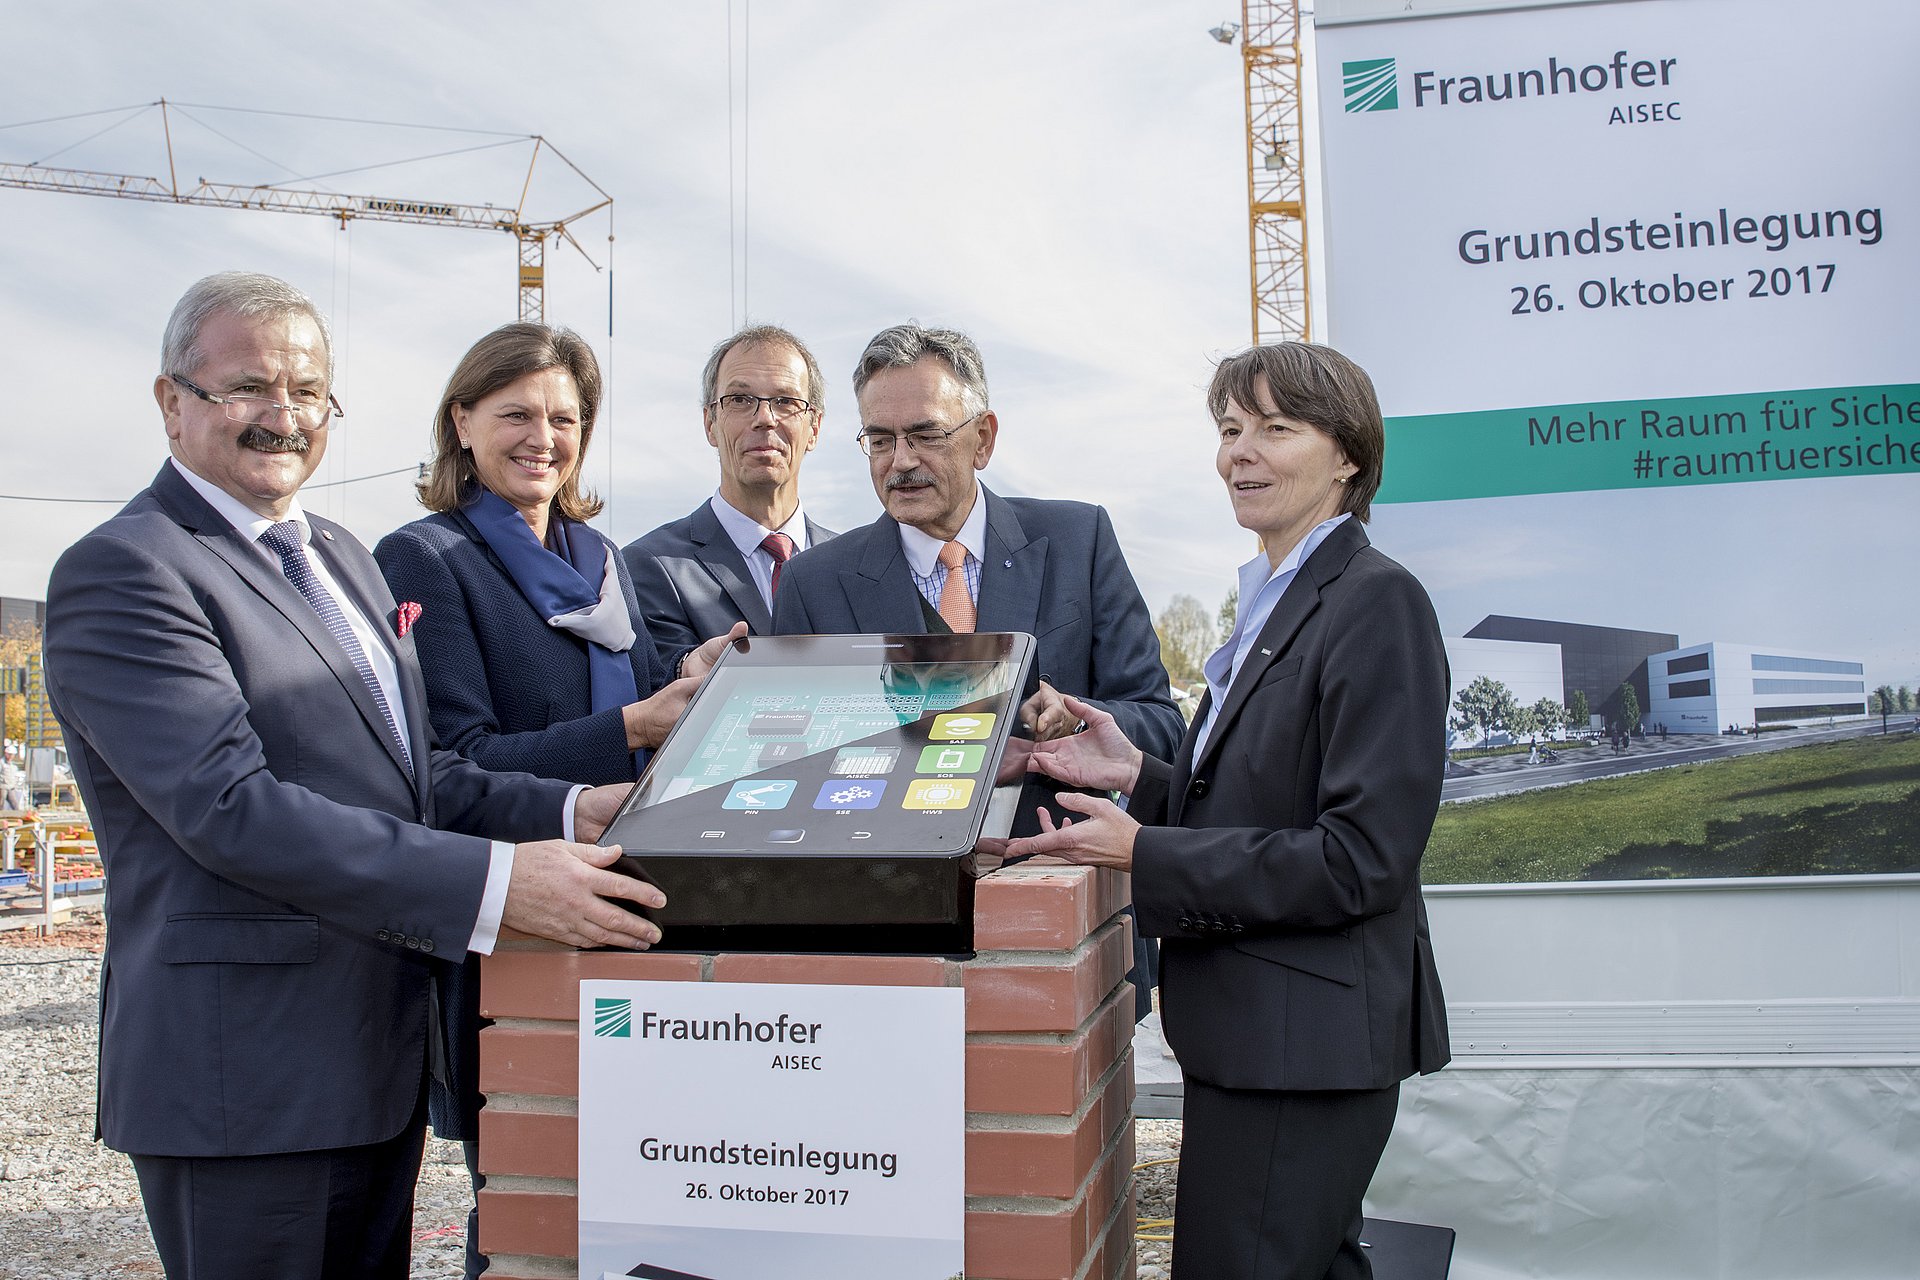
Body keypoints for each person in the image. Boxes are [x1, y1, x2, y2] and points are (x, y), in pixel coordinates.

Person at [41, 272, 668, 1280]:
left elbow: (418, 779)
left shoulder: (337, 556)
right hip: (245, 1080)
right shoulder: (127, 569)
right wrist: (503, 886)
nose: (280, 416)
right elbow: (231, 810)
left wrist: (577, 804)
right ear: (171, 400)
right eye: (246, 386)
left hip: (371, 1060)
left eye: (306, 392)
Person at [1005, 342, 1450, 1279]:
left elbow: (1360, 858)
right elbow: (1264, 795)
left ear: (1349, 458)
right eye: (1229, 429)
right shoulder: (1277, 600)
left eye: (1276, 430)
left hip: (1305, 1050)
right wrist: (1140, 776)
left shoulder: (1377, 603)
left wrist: (1146, 852)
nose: (1238, 453)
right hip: (1266, 1036)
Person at [372, 322, 733, 1276]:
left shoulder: (600, 559)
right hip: (520, 923)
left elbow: (642, 700)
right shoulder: (425, 560)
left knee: (643, 1192)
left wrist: (687, 680)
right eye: (517, 414)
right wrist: (630, 732)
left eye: (565, 418)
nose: (544, 437)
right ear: (461, 421)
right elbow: (445, 763)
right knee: (532, 1204)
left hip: (632, 907)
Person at [772, 322, 1183, 1019]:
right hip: (885, 940)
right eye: (879, 440)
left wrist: (1075, 718)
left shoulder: (1079, 541)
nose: (899, 461)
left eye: (926, 434)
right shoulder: (815, 582)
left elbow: (1160, 723)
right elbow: (790, 765)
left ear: (984, 437)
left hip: (1065, 925)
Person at [622, 325, 835, 653]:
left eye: (785, 401)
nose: (765, 418)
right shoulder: (650, 566)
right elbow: (667, 691)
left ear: (814, 428)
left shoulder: (857, 567)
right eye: (740, 399)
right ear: (710, 424)